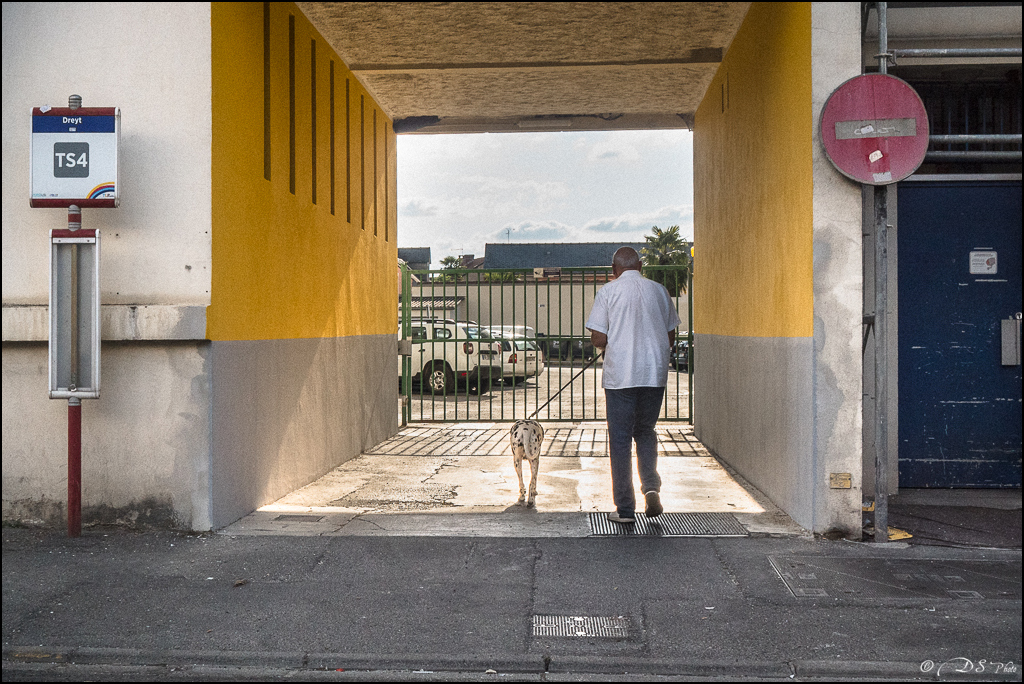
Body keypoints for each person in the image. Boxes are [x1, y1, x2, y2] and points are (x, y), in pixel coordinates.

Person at [586, 247, 680, 523]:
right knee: (646, 431)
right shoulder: (659, 291)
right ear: (640, 265)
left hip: (621, 379)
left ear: (614, 270)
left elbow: (598, 338)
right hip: (653, 375)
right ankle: (651, 488)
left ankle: (625, 510)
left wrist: (611, 340)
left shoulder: (608, 292)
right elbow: (671, 334)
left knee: (621, 440)